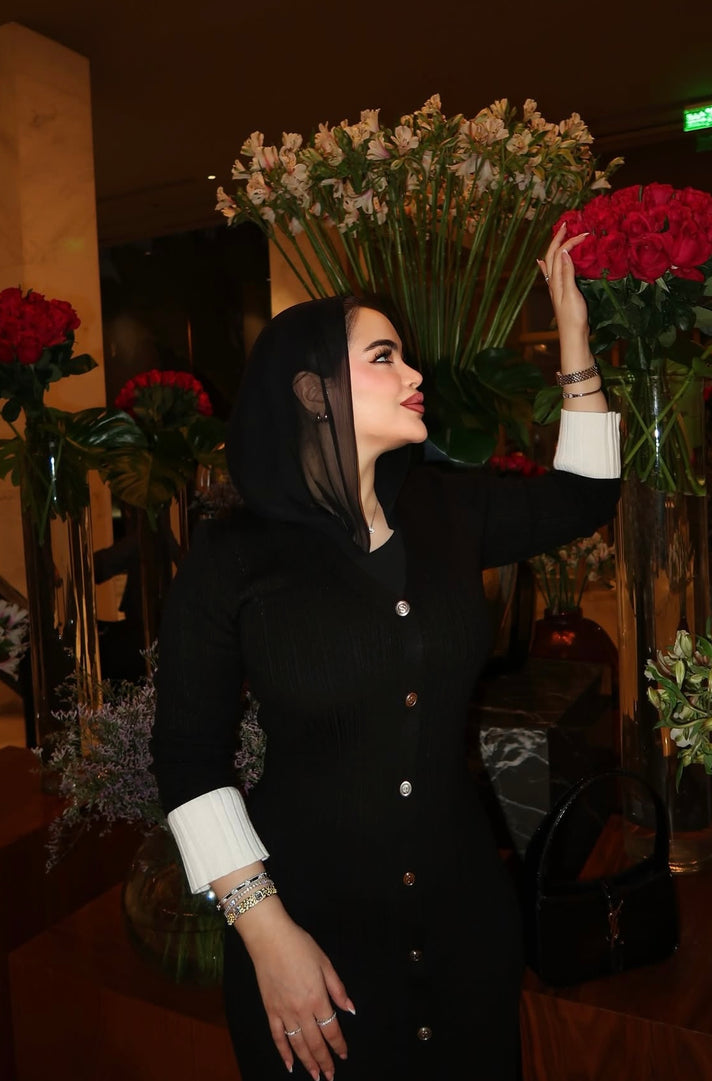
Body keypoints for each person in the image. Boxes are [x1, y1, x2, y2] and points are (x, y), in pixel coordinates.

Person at [151, 224, 620, 1080]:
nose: (414, 374)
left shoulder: (443, 510)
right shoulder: (231, 556)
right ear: (312, 391)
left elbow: (586, 496)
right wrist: (266, 934)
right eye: (384, 357)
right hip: (307, 938)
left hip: (466, 926)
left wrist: (575, 334)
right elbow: (188, 755)